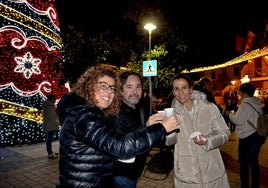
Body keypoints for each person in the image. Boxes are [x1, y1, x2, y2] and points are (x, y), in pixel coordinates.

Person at [56, 64, 180, 188]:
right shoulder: (82, 115)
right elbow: (119, 146)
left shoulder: (97, 113)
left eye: (112, 88)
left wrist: (148, 127)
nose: (109, 92)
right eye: (103, 85)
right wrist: (162, 128)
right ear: (89, 85)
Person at [165, 73, 230, 188]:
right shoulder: (171, 114)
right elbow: (169, 142)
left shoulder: (209, 108)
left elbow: (225, 133)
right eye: (177, 89)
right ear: (173, 92)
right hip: (187, 176)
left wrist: (208, 140)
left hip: (212, 173)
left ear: (190, 89)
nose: (181, 93)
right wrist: (167, 130)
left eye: (184, 88)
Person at [111, 71, 150, 188]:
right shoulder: (117, 113)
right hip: (123, 175)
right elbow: (121, 145)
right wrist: (146, 126)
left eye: (138, 87)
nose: (135, 91)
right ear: (121, 91)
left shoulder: (136, 109)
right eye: (129, 87)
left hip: (133, 172)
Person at [228, 82, 263, 188]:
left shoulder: (245, 105)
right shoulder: (257, 103)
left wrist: (230, 115)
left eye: (240, 91)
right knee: (254, 163)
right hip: (257, 136)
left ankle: (244, 185)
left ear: (245, 92)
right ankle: (255, 184)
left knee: (244, 164)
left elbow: (238, 121)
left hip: (247, 138)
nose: (238, 93)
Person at [42, 94, 60, 159]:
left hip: (50, 125)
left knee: (49, 139)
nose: (55, 100)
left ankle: (50, 152)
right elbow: (52, 117)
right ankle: (50, 153)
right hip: (50, 126)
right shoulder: (49, 107)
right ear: (51, 99)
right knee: (49, 139)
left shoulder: (49, 106)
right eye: (54, 98)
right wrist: (58, 122)